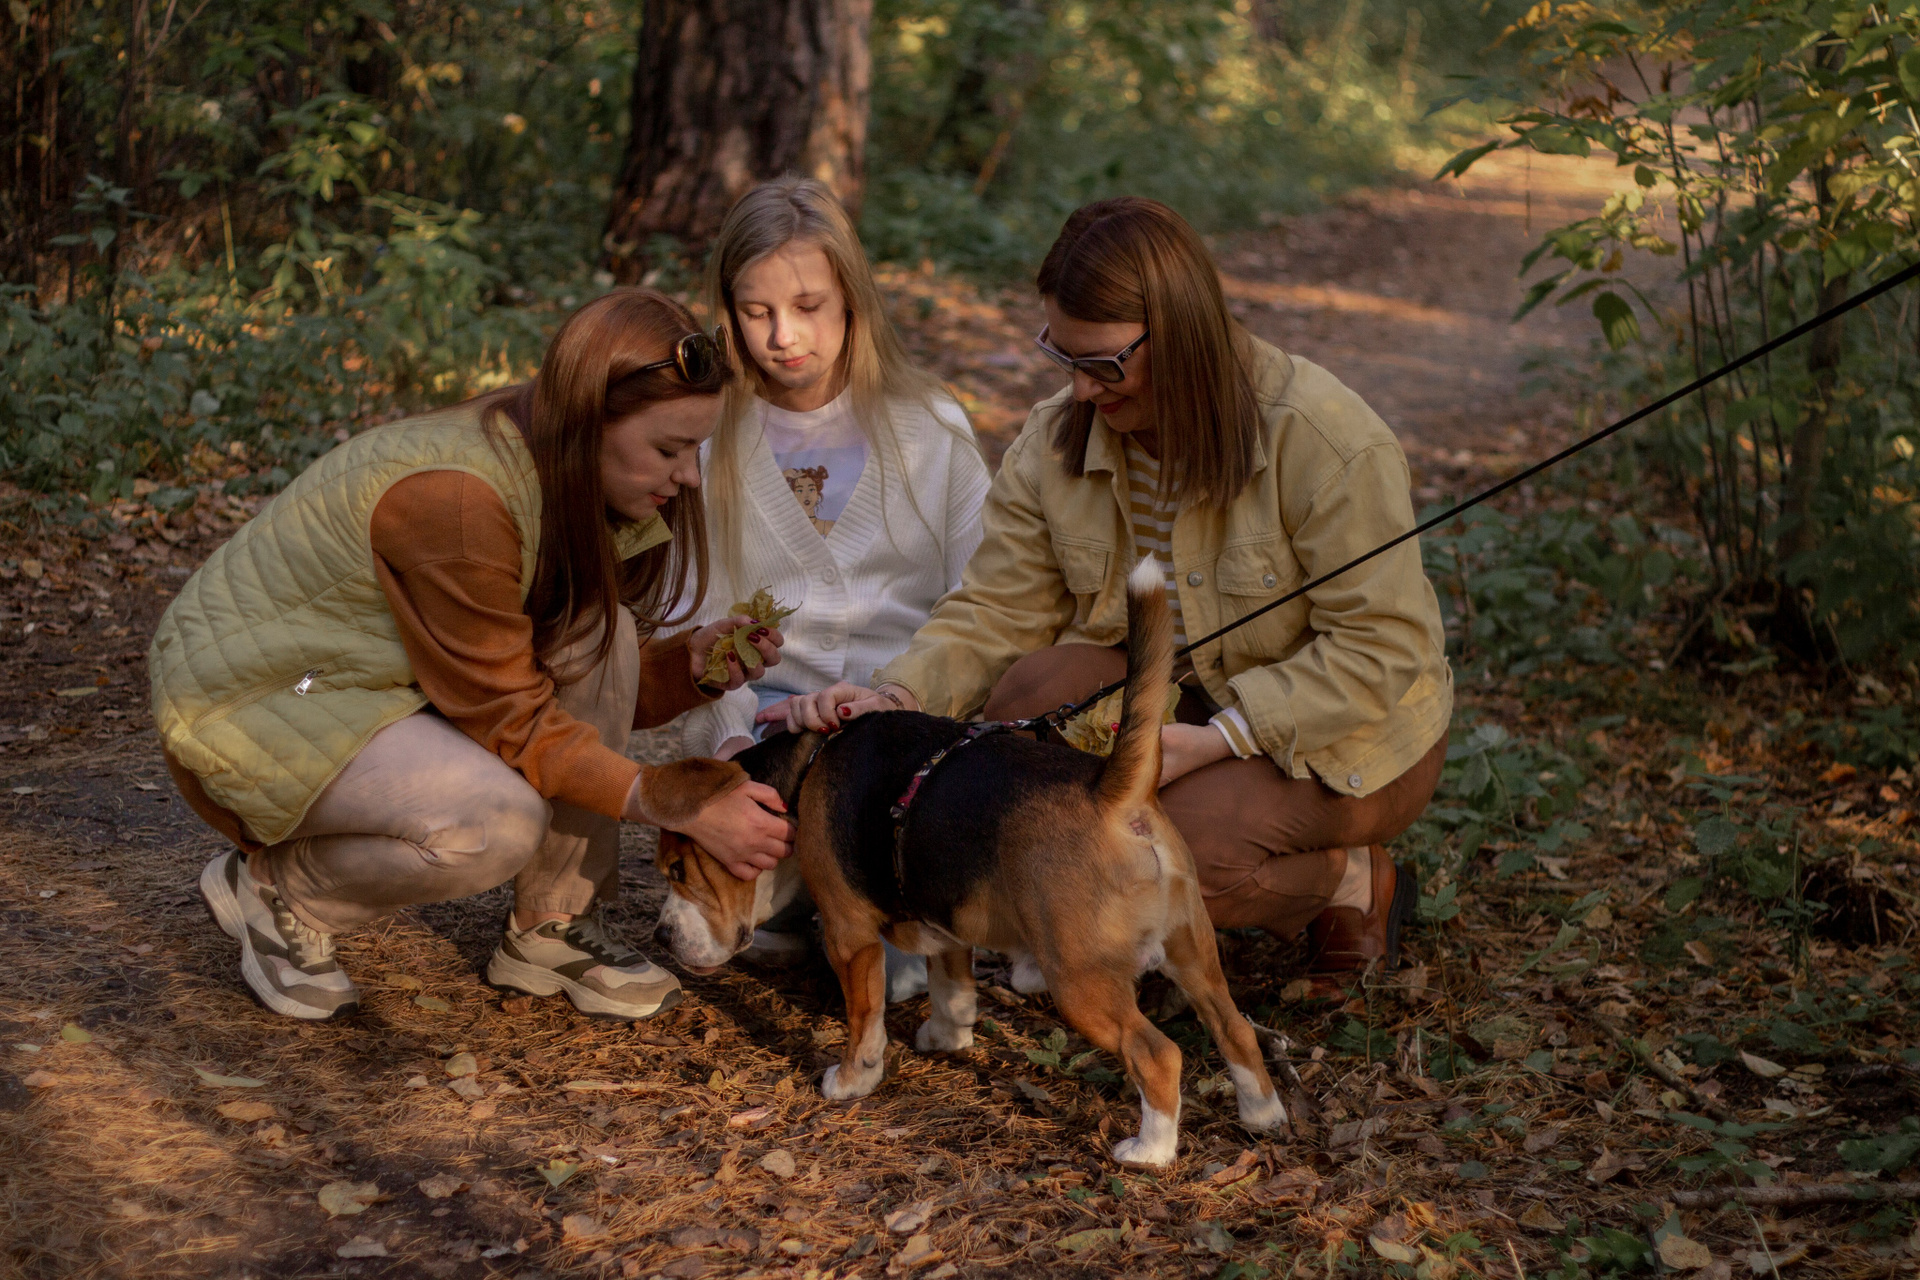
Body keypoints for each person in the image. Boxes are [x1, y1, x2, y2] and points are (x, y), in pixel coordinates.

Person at [767, 197, 1453, 985]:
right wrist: (897, 696)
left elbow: (1382, 647)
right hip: (1179, 698)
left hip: (1351, 735)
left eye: (1103, 364)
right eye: (1062, 357)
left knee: (1163, 858)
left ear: (1182, 335)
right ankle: (1095, 908)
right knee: (1029, 693)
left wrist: (1217, 740)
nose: (1083, 391)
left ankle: (1352, 881)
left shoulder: (1325, 439)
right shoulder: (1056, 439)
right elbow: (998, 609)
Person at [151, 289, 794, 1022]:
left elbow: (543, 682)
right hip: (260, 695)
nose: (688, 477)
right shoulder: (458, 502)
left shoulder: (552, 464)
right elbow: (515, 722)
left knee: (603, 629)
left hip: (358, 680)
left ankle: (554, 922)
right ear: (589, 422)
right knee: (493, 822)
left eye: (695, 450)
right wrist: (678, 802)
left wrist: (686, 671)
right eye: (669, 450)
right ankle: (278, 890)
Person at [678, 176, 990, 993]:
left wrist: (899, 697)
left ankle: (846, 898)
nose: (784, 336)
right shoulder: (709, 438)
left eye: (809, 305)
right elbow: (694, 620)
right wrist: (732, 747)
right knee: (716, 931)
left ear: (853, 297)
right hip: (767, 737)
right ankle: (790, 891)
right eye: (756, 311)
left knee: (898, 980)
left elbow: (983, 603)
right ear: (727, 310)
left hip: (901, 738)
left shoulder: (931, 427)